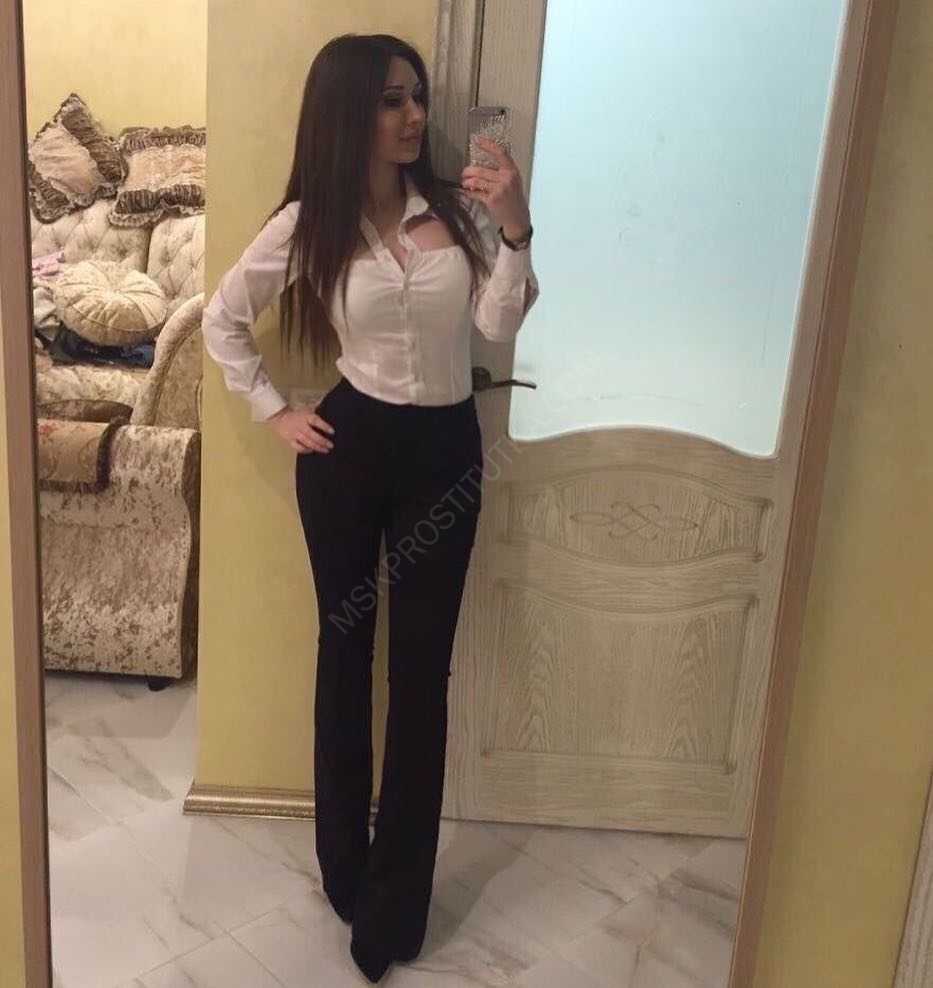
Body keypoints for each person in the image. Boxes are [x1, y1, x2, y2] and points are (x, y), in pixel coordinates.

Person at [201, 33, 539, 984]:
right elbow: (224, 318)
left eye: (416, 96)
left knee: (420, 676)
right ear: (348, 111)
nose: (413, 116)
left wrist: (515, 229)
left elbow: (496, 325)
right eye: (391, 100)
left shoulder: (458, 213)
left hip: (443, 456)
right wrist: (275, 411)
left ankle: (395, 903)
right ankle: (343, 866)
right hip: (348, 452)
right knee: (344, 653)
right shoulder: (310, 223)